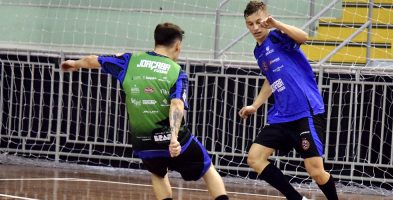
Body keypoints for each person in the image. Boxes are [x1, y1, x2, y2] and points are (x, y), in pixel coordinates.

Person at [61, 22, 229, 200]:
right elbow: (177, 105)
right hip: (175, 142)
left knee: (158, 173)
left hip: (144, 144)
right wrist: (173, 139)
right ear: (178, 45)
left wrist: (75, 63)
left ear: (156, 41)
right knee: (208, 169)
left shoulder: (129, 60)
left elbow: (93, 60)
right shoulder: (177, 72)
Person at [238, 1, 339, 200]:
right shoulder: (258, 51)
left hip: (304, 110)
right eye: (250, 24)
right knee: (255, 158)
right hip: (281, 115)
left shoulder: (277, 36)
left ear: (266, 19)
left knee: (316, 172)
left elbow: (304, 37)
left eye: (259, 22)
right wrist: (255, 105)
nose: (255, 28)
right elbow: (271, 79)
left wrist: (277, 24)